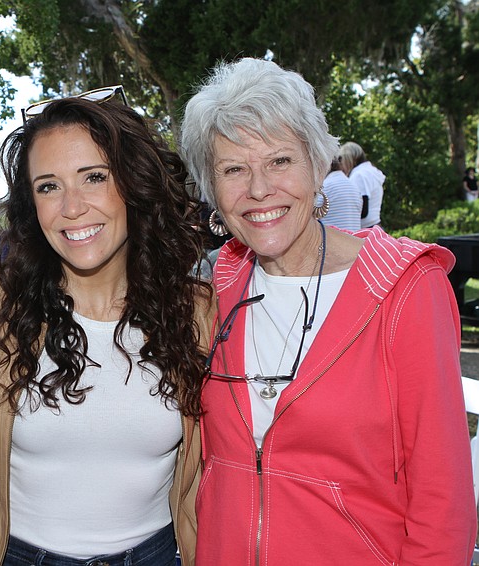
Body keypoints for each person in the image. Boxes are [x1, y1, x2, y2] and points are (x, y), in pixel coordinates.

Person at [180, 57, 476, 564]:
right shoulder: (213, 290)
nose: (257, 189)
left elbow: (442, 499)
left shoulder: (405, 287)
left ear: (318, 165)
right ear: (212, 189)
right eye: (233, 169)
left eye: (279, 161)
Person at [0, 90, 213, 566]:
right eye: (48, 186)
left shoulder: (196, 310)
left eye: (94, 177)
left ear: (133, 185)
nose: (71, 207)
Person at [339, 141, 385, 228]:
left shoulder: (359, 175)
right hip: (375, 225)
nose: (342, 166)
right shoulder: (371, 171)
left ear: (349, 159)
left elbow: (363, 210)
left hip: (365, 228)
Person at [321, 157, 361, 231]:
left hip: (334, 240)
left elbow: (312, 216)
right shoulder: (354, 185)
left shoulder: (325, 186)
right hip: (355, 238)